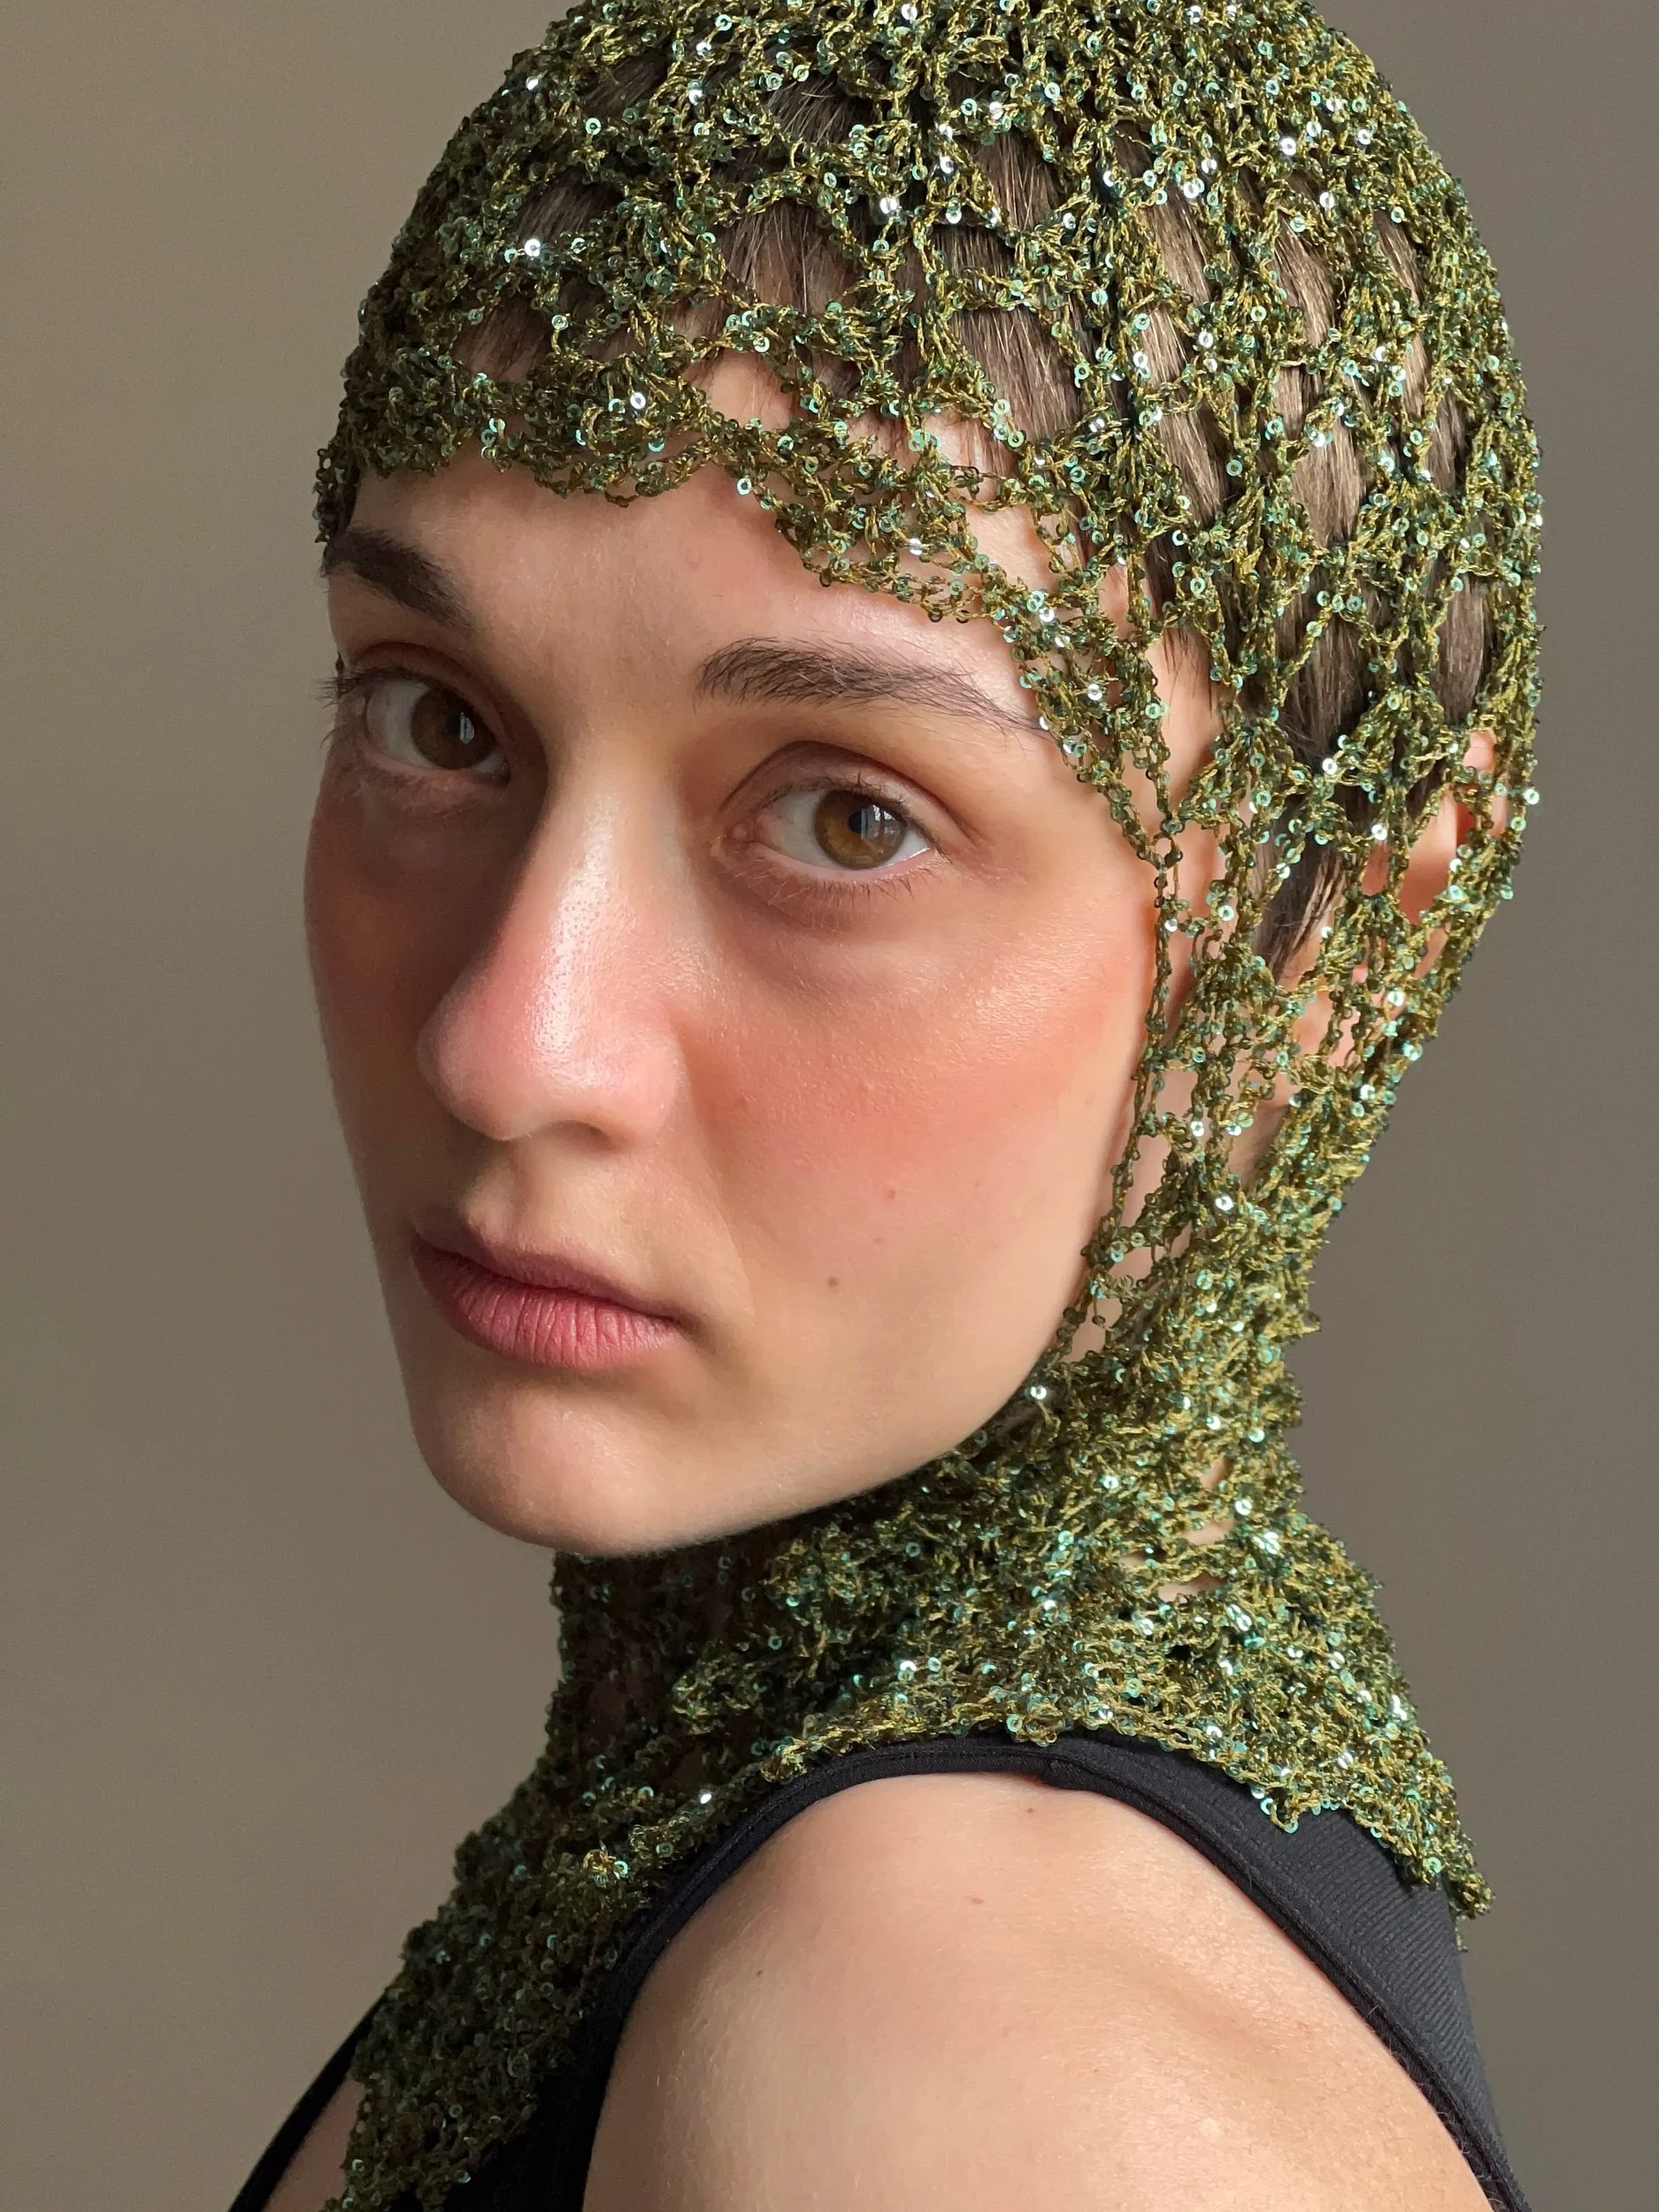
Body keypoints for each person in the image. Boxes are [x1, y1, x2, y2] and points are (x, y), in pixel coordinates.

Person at [234, 2, 1540, 2206]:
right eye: (436, 721)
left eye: (846, 818)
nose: (509, 1041)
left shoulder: (942, 2043)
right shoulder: (742, 1861)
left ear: (1328, 942)